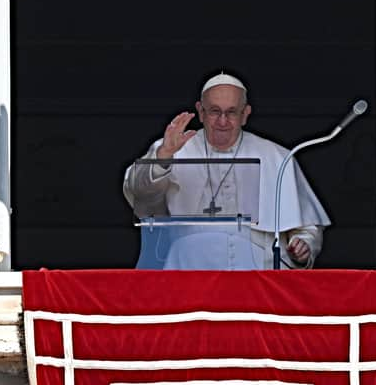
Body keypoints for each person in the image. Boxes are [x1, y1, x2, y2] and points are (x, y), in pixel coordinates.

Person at [123, 72, 330, 269]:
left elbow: (306, 227)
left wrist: (304, 244)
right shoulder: (172, 148)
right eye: (214, 111)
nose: (223, 121)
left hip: (259, 270)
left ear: (245, 114)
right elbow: (140, 192)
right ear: (201, 112)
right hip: (189, 266)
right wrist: (164, 155)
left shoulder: (276, 155)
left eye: (231, 112)